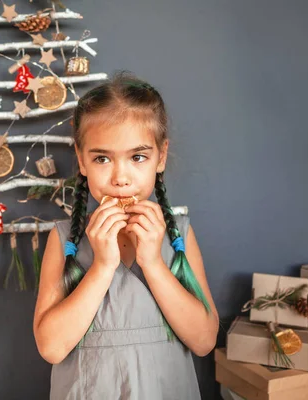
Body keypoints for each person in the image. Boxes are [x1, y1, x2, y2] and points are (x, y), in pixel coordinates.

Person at [33, 71, 219, 399]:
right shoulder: (65, 239)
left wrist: (152, 262)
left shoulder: (180, 235)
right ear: (82, 160)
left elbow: (204, 342)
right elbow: (51, 348)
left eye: (137, 157)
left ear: (160, 157)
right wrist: (103, 266)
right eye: (102, 158)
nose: (120, 178)